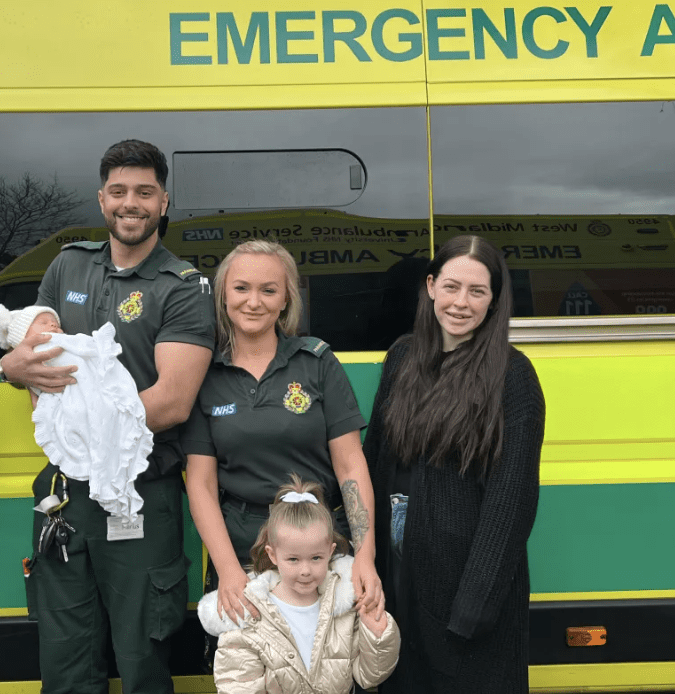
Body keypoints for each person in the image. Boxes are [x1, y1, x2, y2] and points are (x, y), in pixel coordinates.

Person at [0, 139, 215, 694]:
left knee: (142, 659)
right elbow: (35, 363)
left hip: (139, 492)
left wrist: (83, 423)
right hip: (65, 495)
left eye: (144, 192)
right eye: (118, 191)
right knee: (65, 659)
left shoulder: (183, 287)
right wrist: (10, 368)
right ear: (101, 200)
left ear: (163, 202)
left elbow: (172, 402)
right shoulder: (68, 264)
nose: (130, 203)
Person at [363, 234, 545, 693]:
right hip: (398, 588)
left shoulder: (513, 376)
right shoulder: (402, 358)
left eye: (477, 291)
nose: (461, 303)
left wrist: (472, 610)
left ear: (494, 300)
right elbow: (374, 460)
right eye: (451, 286)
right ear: (430, 286)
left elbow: (511, 503)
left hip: (466, 605)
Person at [182, 239, 382, 631]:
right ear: (223, 295)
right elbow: (201, 484)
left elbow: (350, 465)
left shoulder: (316, 363)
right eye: (241, 288)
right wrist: (228, 569)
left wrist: (365, 555)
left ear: (287, 298)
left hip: (319, 552)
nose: (253, 302)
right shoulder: (206, 374)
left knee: (328, 662)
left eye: (268, 290)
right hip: (243, 553)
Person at [199, 476, 400, 694]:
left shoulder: (344, 606)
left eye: (316, 558)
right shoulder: (250, 613)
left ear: (331, 551)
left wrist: (378, 635)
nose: (305, 570)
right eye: (293, 559)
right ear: (272, 555)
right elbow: (238, 686)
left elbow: (370, 676)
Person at [0, 303, 151, 521]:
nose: (52, 325)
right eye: (43, 323)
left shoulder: (66, 342)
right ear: (23, 338)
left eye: (55, 323)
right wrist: (8, 366)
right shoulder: (42, 350)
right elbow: (27, 371)